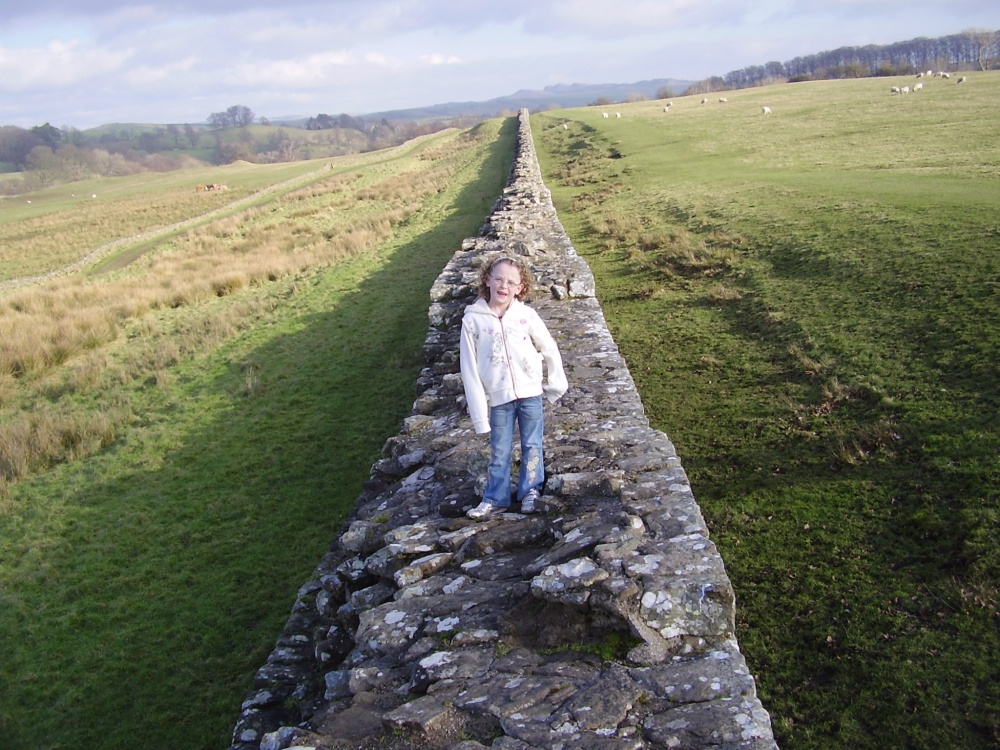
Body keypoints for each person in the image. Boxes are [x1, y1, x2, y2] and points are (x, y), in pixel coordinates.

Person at [459, 255, 568, 519]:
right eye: (498, 279)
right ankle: (496, 498)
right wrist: (479, 416)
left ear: (520, 287)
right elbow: (469, 370)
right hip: (499, 399)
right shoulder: (472, 321)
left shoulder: (525, 315)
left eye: (511, 282)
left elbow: (549, 347)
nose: (503, 286)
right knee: (500, 450)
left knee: (532, 444)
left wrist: (554, 384)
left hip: (530, 393)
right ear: (487, 280)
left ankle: (530, 491)